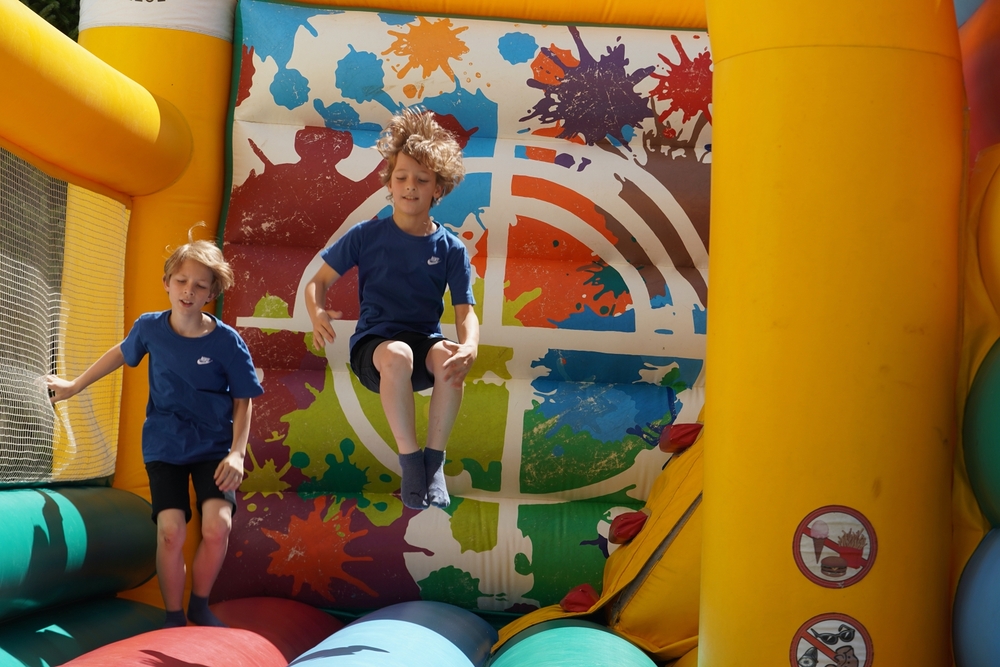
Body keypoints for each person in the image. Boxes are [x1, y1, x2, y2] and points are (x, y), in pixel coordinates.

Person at [45, 228, 263, 628]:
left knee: (218, 526)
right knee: (170, 531)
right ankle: (173, 616)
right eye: (181, 281)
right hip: (166, 444)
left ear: (212, 292)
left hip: (215, 445)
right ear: (166, 283)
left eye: (199, 285)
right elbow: (120, 353)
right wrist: (74, 385)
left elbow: (243, 398)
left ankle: (199, 605)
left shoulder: (227, 342)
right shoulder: (150, 328)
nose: (188, 291)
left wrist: (237, 452)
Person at [305, 107, 478, 511]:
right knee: (397, 353)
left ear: (438, 188)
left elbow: (464, 310)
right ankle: (411, 462)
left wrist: (469, 345)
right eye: (401, 177)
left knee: (449, 356)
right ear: (388, 181)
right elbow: (318, 282)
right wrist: (317, 312)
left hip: (424, 345)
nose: (410, 187)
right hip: (376, 350)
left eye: (422, 180)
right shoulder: (366, 235)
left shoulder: (451, 248)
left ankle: (434, 461)